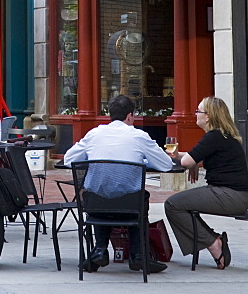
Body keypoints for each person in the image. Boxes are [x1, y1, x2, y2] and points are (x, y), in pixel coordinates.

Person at [64, 93, 174, 274]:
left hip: (96, 205)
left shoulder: (94, 134)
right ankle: (138, 255)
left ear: (110, 114)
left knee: (102, 191)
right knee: (139, 197)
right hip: (129, 205)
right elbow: (166, 164)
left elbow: (69, 160)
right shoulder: (139, 136)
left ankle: (99, 250)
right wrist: (143, 161)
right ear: (130, 116)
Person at [164, 97, 248, 269]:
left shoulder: (214, 136)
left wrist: (191, 161)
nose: (196, 114)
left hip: (229, 196)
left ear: (208, 116)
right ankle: (212, 240)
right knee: (179, 204)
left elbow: (186, 162)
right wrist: (188, 158)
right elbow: (191, 156)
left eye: (199, 111)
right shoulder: (220, 136)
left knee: (173, 205)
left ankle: (213, 243)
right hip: (233, 195)